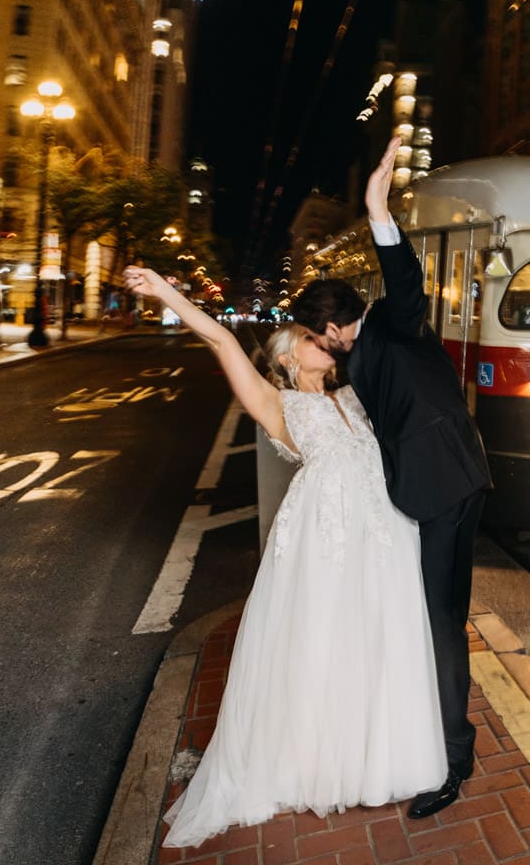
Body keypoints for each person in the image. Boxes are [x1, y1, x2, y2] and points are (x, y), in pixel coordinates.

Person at [122, 266, 447, 848]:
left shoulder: (354, 393)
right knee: (324, 642)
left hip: (383, 537)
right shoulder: (278, 404)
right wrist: (168, 293)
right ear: (290, 356)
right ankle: (319, 762)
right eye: (305, 336)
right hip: (326, 542)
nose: (318, 340)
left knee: (378, 640)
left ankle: (380, 758)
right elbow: (221, 338)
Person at [290, 135, 492, 820]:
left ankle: (450, 762)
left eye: (314, 338)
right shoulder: (370, 350)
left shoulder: (388, 327)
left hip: (441, 488)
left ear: (331, 326)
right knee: (443, 617)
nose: (318, 349)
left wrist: (379, 207)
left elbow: (405, 284)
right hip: (456, 480)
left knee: (438, 625)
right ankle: (447, 739)